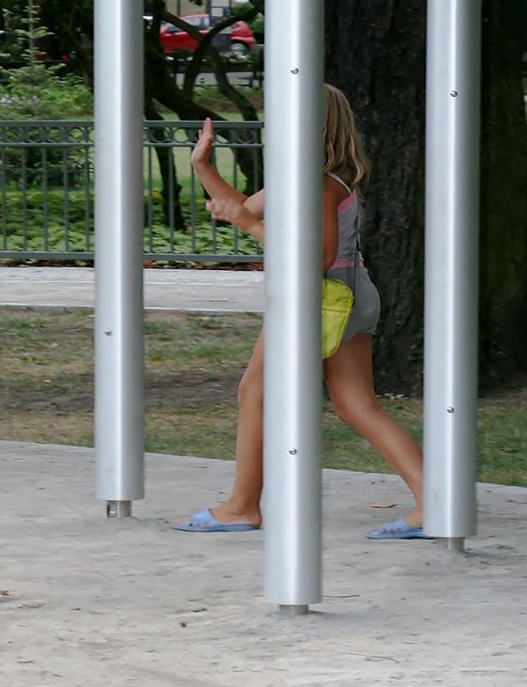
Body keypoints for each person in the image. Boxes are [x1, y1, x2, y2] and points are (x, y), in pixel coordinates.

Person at [174, 84, 425, 540]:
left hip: (320, 299)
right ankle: (435, 501)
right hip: (348, 296)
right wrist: (203, 167)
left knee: (256, 392)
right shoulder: (305, 178)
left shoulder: (321, 185)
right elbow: (243, 207)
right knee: (355, 406)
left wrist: (251, 226)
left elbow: (316, 259)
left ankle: (242, 506)